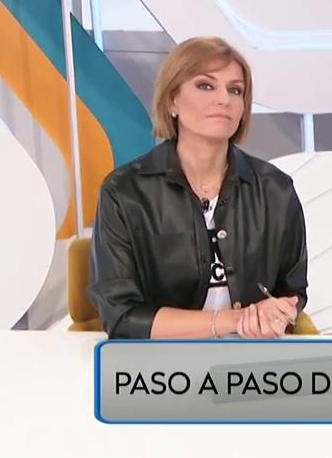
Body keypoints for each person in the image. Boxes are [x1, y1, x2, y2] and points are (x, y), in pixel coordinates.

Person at [90, 36, 307, 339]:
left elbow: (292, 291)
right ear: (172, 101)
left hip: (254, 353)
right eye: (206, 86)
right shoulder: (124, 192)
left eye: (235, 90)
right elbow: (123, 317)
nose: (224, 99)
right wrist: (231, 321)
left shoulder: (275, 189)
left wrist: (278, 313)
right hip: (161, 359)